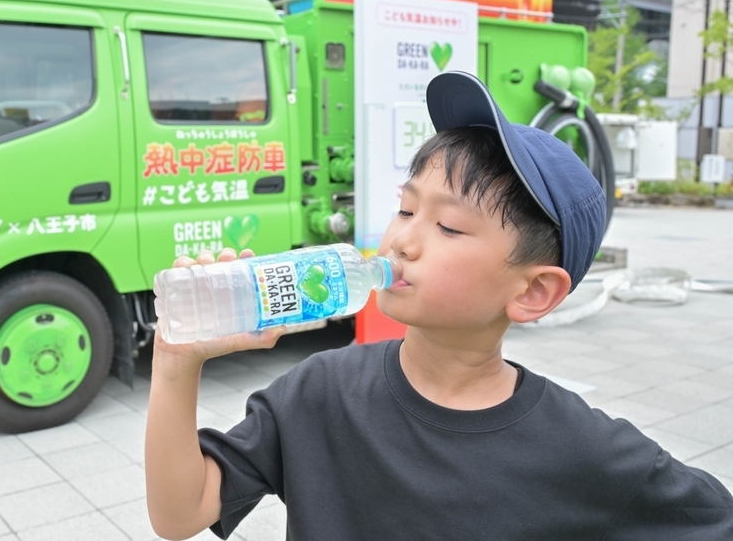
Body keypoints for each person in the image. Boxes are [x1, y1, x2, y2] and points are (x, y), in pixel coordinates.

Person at [145, 71, 733, 540]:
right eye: (405, 208)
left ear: (533, 292)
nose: (403, 239)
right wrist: (177, 363)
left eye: (449, 226)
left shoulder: (582, 446)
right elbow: (180, 514)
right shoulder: (319, 391)